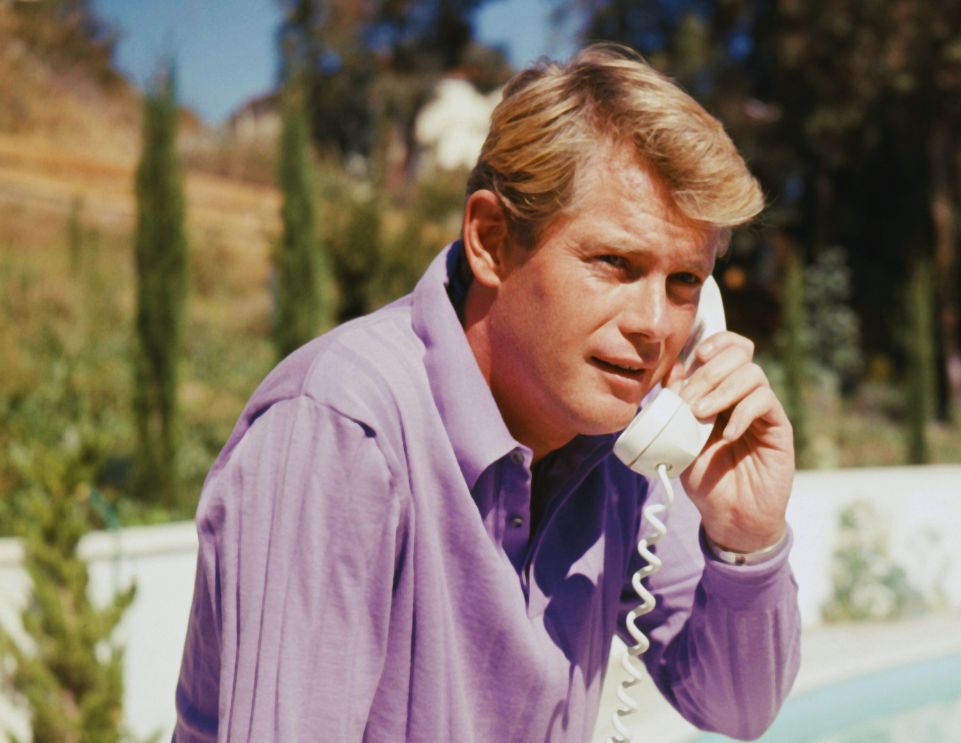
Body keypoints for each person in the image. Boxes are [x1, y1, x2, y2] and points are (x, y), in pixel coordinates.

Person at [174, 43, 800, 742]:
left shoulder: (624, 440)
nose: (654, 324)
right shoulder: (341, 428)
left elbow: (736, 707)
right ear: (491, 240)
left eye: (684, 282)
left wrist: (745, 539)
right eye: (615, 263)